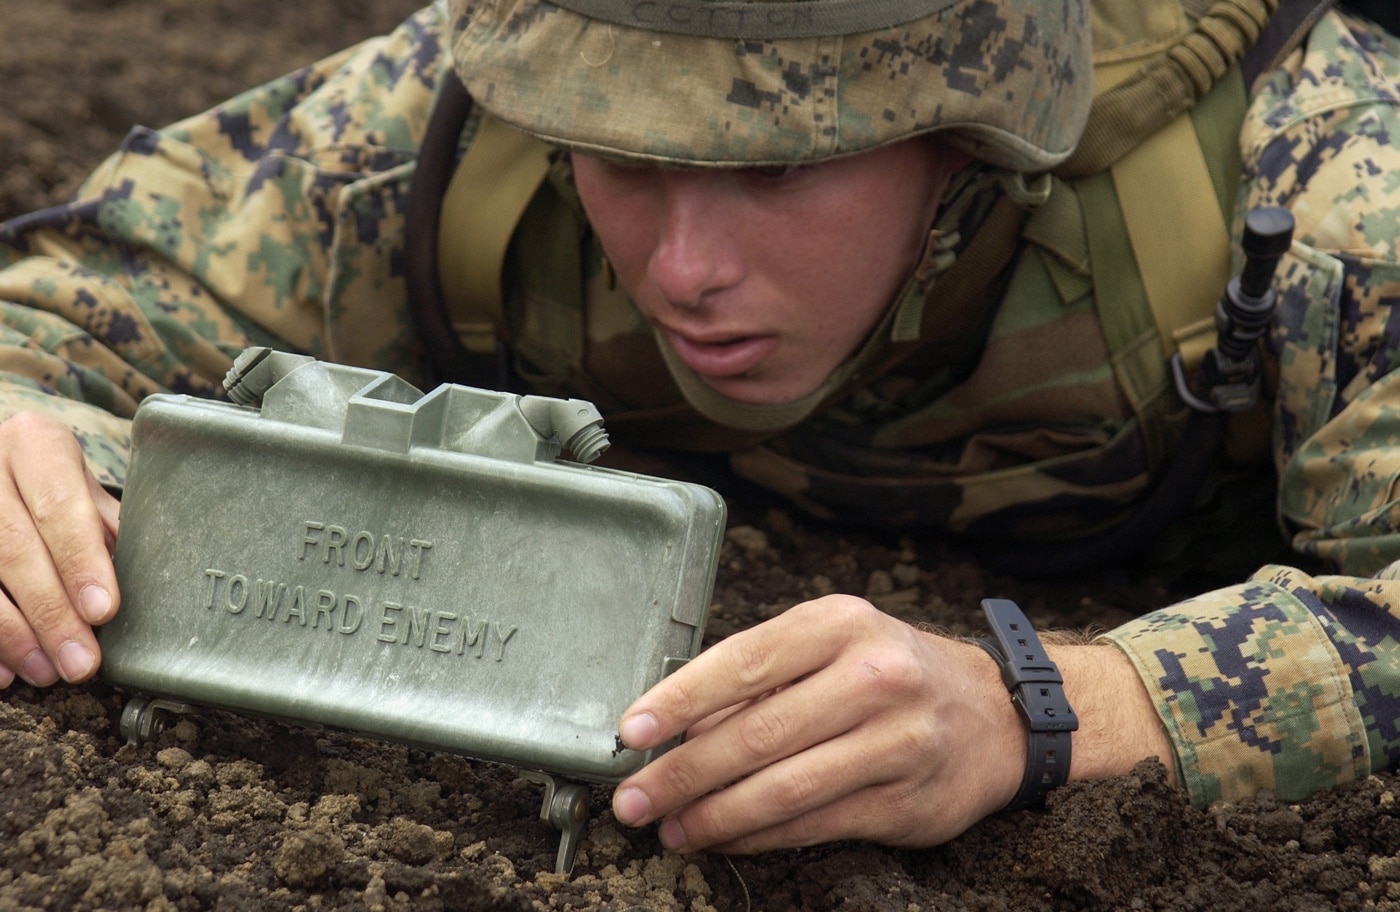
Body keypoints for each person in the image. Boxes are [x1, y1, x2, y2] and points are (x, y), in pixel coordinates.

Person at [1, 0, 1398, 856]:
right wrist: (27, 440)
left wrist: (1052, 710)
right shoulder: (479, 104)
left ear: (974, 131)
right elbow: (77, 303)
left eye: (780, 168)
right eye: (622, 162)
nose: (681, 268)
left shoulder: (1332, 180)